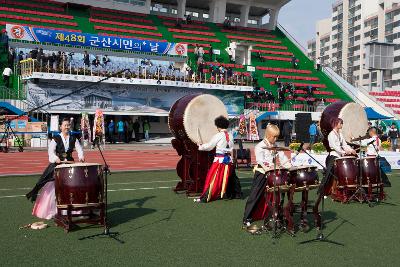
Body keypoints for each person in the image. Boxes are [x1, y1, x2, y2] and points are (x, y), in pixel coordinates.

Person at [25, 118, 85, 219]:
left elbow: (79, 149)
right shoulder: (56, 138)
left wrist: (81, 156)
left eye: (68, 125)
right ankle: (52, 210)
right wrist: (55, 158)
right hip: (58, 165)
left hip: (69, 165)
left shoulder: (73, 138)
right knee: (54, 187)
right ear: (60, 127)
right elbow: (50, 152)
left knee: (71, 186)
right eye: (65, 125)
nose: (67, 127)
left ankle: (72, 209)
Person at [242, 124, 291, 227]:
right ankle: (247, 217)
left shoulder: (275, 145)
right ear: (268, 135)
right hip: (262, 173)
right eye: (274, 136)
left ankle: (270, 214)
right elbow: (261, 161)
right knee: (255, 195)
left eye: (277, 136)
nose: (276, 138)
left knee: (272, 196)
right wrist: (273, 167)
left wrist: (289, 166)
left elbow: (282, 157)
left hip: (272, 173)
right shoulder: (260, 146)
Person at [195, 116, 241, 202]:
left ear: (218, 126)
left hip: (220, 160)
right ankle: (235, 194)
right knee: (231, 177)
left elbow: (209, 146)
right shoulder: (230, 135)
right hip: (228, 159)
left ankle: (207, 196)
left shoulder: (218, 135)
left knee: (212, 178)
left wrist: (200, 146)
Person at [318, 118, 356, 196]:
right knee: (328, 174)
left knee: (339, 175)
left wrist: (351, 150)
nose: (342, 125)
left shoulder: (340, 134)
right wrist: (344, 152)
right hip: (333, 156)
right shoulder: (331, 134)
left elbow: (344, 144)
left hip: (339, 156)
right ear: (336, 124)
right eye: (340, 123)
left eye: (342, 123)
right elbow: (335, 147)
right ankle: (321, 192)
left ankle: (337, 190)